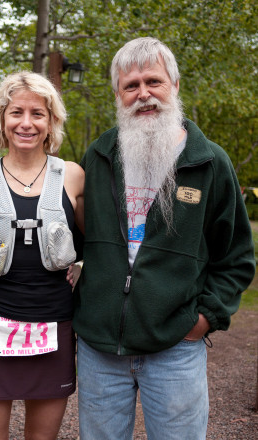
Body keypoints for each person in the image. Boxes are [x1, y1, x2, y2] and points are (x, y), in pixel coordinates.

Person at [74, 37, 256, 440]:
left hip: (176, 347)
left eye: (153, 81)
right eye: (131, 86)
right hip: (100, 349)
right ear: (118, 95)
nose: (143, 95)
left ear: (174, 84)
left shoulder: (210, 162)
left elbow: (237, 257)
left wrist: (204, 319)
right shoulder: (98, 156)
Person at [0, 71, 84, 440]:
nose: (26, 123)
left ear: (51, 122)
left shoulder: (74, 177)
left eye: (37, 114)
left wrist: (80, 265)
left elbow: (96, 241)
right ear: (2, 119)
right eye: (16, 112)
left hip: (55, 323)